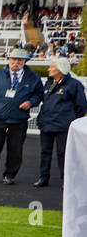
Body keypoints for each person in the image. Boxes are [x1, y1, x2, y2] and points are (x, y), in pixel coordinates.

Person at [0, 48, 43, 184]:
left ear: (25, 61)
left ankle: (9, 175)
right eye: (13, 59)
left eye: (19, 60)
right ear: (8, 60)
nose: (16, 62)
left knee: (15, 149)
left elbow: (38, 95)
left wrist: (31, 102)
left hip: (19, 118)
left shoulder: (33, 77)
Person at [34, 57, 86, 188]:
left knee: (63, 153)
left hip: (63, 126)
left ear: (60, 69)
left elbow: (81, 106)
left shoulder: (74, 85)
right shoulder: (49, 83)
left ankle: (66, 179)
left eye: (52, 67)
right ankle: (43, 177)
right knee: (45, 152)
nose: (49, 69)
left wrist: (72, 122)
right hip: (46, 124)